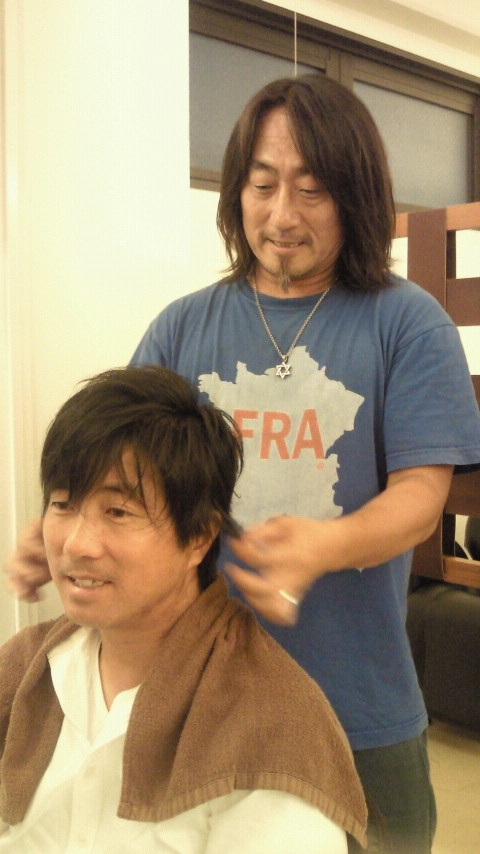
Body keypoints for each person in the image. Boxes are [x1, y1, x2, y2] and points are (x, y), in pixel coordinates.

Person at [6, 74, 480, 852]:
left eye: (312, 190)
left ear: (356, 197)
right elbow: (116, 461)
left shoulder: (407, 325)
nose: (282, 215)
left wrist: (324, 544)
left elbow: (421, 499)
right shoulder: (183, 325)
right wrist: (59, 529)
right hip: (196, 696)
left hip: (357, 699)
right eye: (262, 185)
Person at [0, 365, 367, 853]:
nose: (76, 544)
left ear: (199, 537)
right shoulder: (26, 666)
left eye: (117, 512)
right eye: (63, 504)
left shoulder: (271, 726)